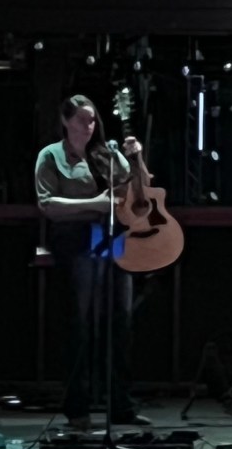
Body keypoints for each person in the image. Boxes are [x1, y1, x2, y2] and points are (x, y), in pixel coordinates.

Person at [34, 94, 149, 431]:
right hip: (75, 237)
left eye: (93, 119)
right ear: (66, 121)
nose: (89, 126)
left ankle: (121, 404)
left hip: (110, 236)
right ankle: (78, 407)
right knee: (81, 324)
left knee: (120, 321)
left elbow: (140, 189)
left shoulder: (106, 154)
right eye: (82, 120)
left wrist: (137, 157)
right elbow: (47, 204)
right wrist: (95, 204)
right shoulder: (51, 155)